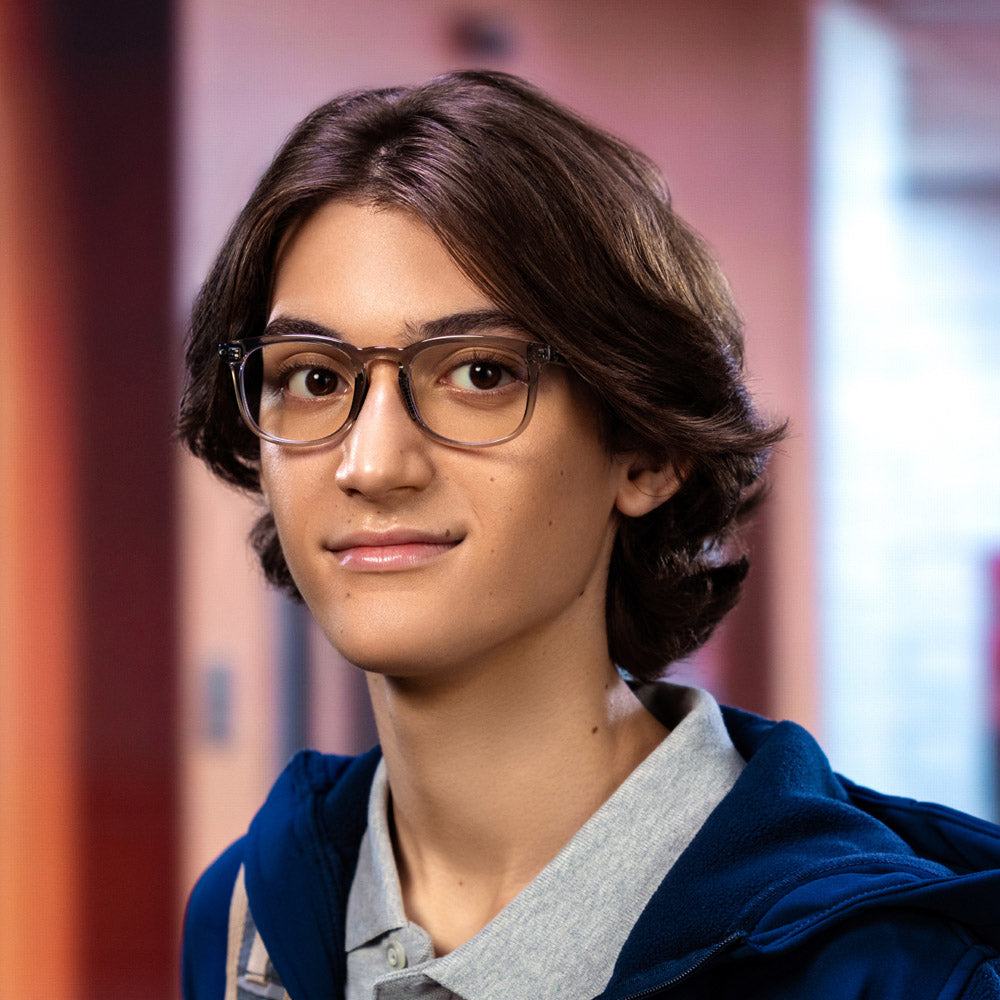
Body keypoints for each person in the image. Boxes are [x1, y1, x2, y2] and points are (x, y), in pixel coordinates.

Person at [178, 71, 1000, 1000]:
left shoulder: (894, 974)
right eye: (316, 378)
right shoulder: (247, 919)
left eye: (480, 372)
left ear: (645, 450)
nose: (371, 463)